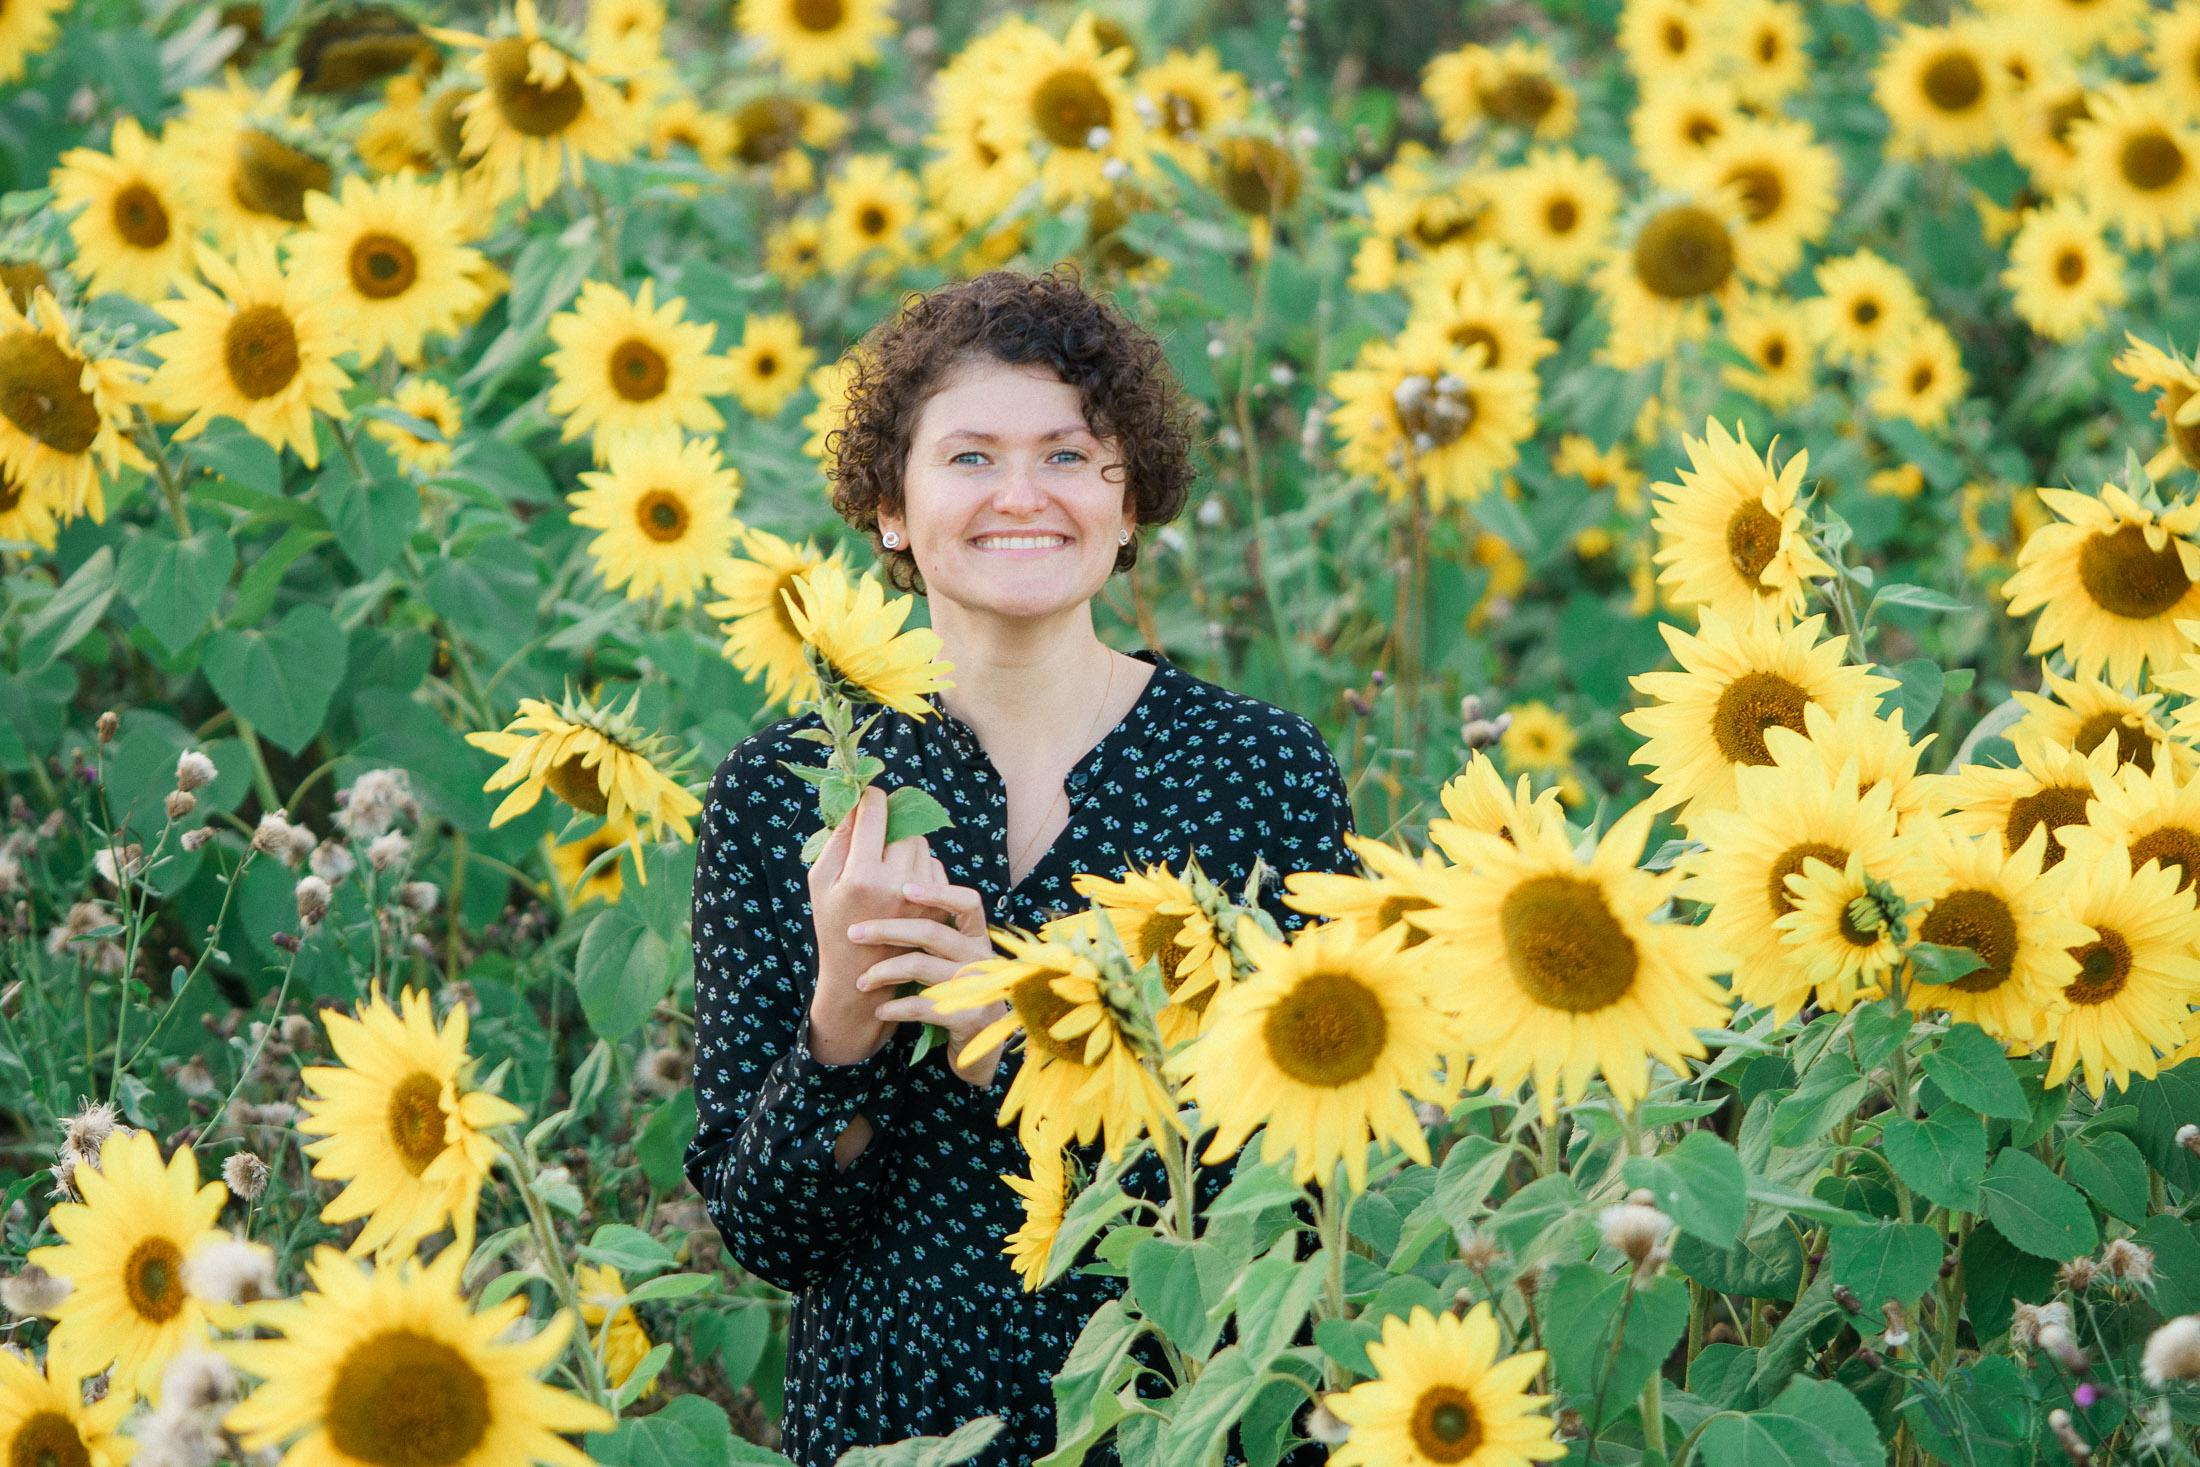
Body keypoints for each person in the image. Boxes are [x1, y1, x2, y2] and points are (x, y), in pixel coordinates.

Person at [682, 266, 1360, 1466]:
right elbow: (772, 1236)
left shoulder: (1258, 774)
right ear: (889, 506)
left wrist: (1031, 1039)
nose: (1021, 496)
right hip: (895, 1429)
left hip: (1187, 1417)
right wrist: (844, 1014)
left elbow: (1308, 1176)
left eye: (1066, 455)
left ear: (1130, 497)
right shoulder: (788, 790)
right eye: (969, 458)